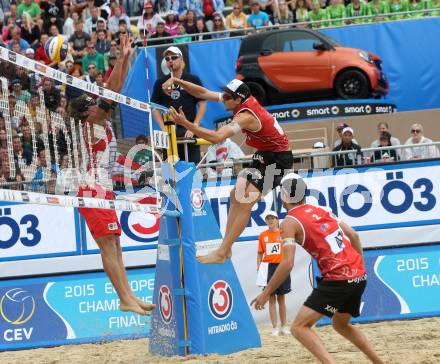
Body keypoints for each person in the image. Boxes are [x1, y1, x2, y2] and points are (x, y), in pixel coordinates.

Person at [251, 173, 384, 364]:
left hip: (338, 279)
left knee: (299, 327)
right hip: (358, 274)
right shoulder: (321, 209)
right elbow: (354, 236)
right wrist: (359, 268)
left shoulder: (289, 222)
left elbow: (287, 263)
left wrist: (266, 293)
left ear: (284, 196)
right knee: (340, 324)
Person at [68, 35, 155, 316]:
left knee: (115, 245)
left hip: (103, 188)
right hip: (91, 190)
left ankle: (128, 295)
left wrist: (124, 58)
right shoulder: (91, 122)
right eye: (93, 103)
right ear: (87, 112)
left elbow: (112, 93)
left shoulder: (99, 124)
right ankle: (124, 298)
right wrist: (124, 57)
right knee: (108, 246)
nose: (99, 104)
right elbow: (114, 91)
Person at [164, 77, 293, 264]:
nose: (222, 98)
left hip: (279, 160)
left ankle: (222, 251)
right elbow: (202, 93)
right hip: (265, 153)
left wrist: (187, 124)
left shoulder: (245, 116)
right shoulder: (238, 100)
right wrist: (177, 80)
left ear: (237, 100)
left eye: (226, 96)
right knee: (235, 195)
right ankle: (226, 249)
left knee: (245, 200)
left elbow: (216, 137)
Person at [151, 46, 206, 163]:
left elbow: (202, 104)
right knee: (171, 172)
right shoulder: (160, 83)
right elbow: (154, 108)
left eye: (174, 57)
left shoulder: (193, 79)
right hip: (170, 132)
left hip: (188, 131)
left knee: (192, 169)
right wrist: (163, 128)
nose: (170, 60)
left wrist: (194, 127)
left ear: (181, 59)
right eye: (167, 58)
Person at [257, 210, 291, 336]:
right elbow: (260, 252)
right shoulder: (262, 235)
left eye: (273, 218)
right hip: (268, 268)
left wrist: (288, 264)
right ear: (265, 220)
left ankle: (284, 326)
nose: (270, 220)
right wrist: (258, 267)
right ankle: (275, 327)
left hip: (282, 267)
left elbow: (289, 250)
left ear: (277, 220)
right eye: (268, 218)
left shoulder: (283, 234)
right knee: (271, 298)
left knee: (281, 298)